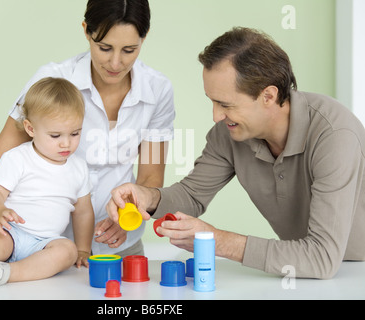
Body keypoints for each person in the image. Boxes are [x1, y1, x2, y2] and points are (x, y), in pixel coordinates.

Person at [0, 0, 174, 285]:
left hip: (117, 247)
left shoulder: (158, 89)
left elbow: (151, 176)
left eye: (129, 50)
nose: (116, 63)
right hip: (31, 250)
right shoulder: (51, 81)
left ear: (145, 36)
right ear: (86, 31)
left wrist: (131, 218)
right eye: (104, 47)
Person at [107, 27, 365, 280]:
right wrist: (148, 197)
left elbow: (321, 258)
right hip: (302, 270)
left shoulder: (335, 135)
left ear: (269, 96)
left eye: (225, 104)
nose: (216, 116)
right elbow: (192, 195)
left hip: (354, 270)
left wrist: (217, 241)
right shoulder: (230, 133)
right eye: (212, 101)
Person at [0, 77, 94, 298]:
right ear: (30, 128)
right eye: (55, 135)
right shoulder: (18, 158)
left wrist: (83, 249)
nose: (66, 143)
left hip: (46, 241)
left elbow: (84, 211)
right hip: (10, 232)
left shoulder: (79, 167)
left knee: (66, 251)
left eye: (75, 133)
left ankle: (5, 273)